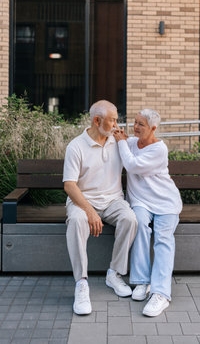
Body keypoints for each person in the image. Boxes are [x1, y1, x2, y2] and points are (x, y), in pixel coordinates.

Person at [63, 100, 138, 315]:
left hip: (113, 200)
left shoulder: (118, 141)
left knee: (130, 219)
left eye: (117, 119)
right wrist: (89, 211)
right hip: (83, 200)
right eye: (112, 119)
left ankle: (114, 273)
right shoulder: (76, 146)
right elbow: (69, 185)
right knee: (77, 221)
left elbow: (143, 148)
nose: (117, 124)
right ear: (97, 121)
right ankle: (81, 283)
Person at [113, 108, 182, 317]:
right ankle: (141, 281)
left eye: (141, 124)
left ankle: (161, 293)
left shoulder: (159, 149)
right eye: (134, 122)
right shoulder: (132, 143)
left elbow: (132, 165)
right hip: (141, 201)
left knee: (163, 238)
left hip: (165, 202)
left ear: (153, 128)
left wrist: (122, 142)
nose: (135, 127)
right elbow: (117, 144)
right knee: (140, 225)